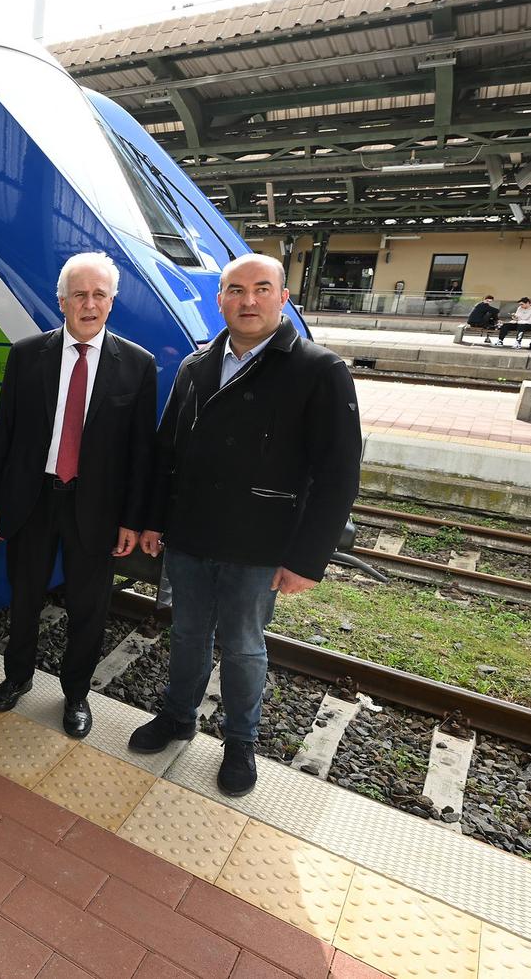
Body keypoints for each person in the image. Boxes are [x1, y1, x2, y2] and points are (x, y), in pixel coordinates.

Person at [131, 254, 361, 798]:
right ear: (220, 301)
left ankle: (239, 742)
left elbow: (339, 475)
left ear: (284, 299)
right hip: (190, 535)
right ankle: (178, 716)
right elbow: (167, 454)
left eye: (262, 289)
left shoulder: (318, 370)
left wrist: (308, 558)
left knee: (242, 645)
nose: (248, 300)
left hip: (258, 543)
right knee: (186, 633)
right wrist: (151, 520)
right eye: (236, 290)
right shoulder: (195, 366)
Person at [0, 252, 157, 739]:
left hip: (96, 507)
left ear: (112, 302)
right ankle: (16, 677)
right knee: (25, 596)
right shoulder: (26, 354)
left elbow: (141, 451)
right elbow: (8, 436)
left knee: (89, 606)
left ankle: (76, 694)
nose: (89, 303)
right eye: (79, 294)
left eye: (99, 294)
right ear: (62, 301)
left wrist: (132, 518)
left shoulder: (137, 366)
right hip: (33, 498)